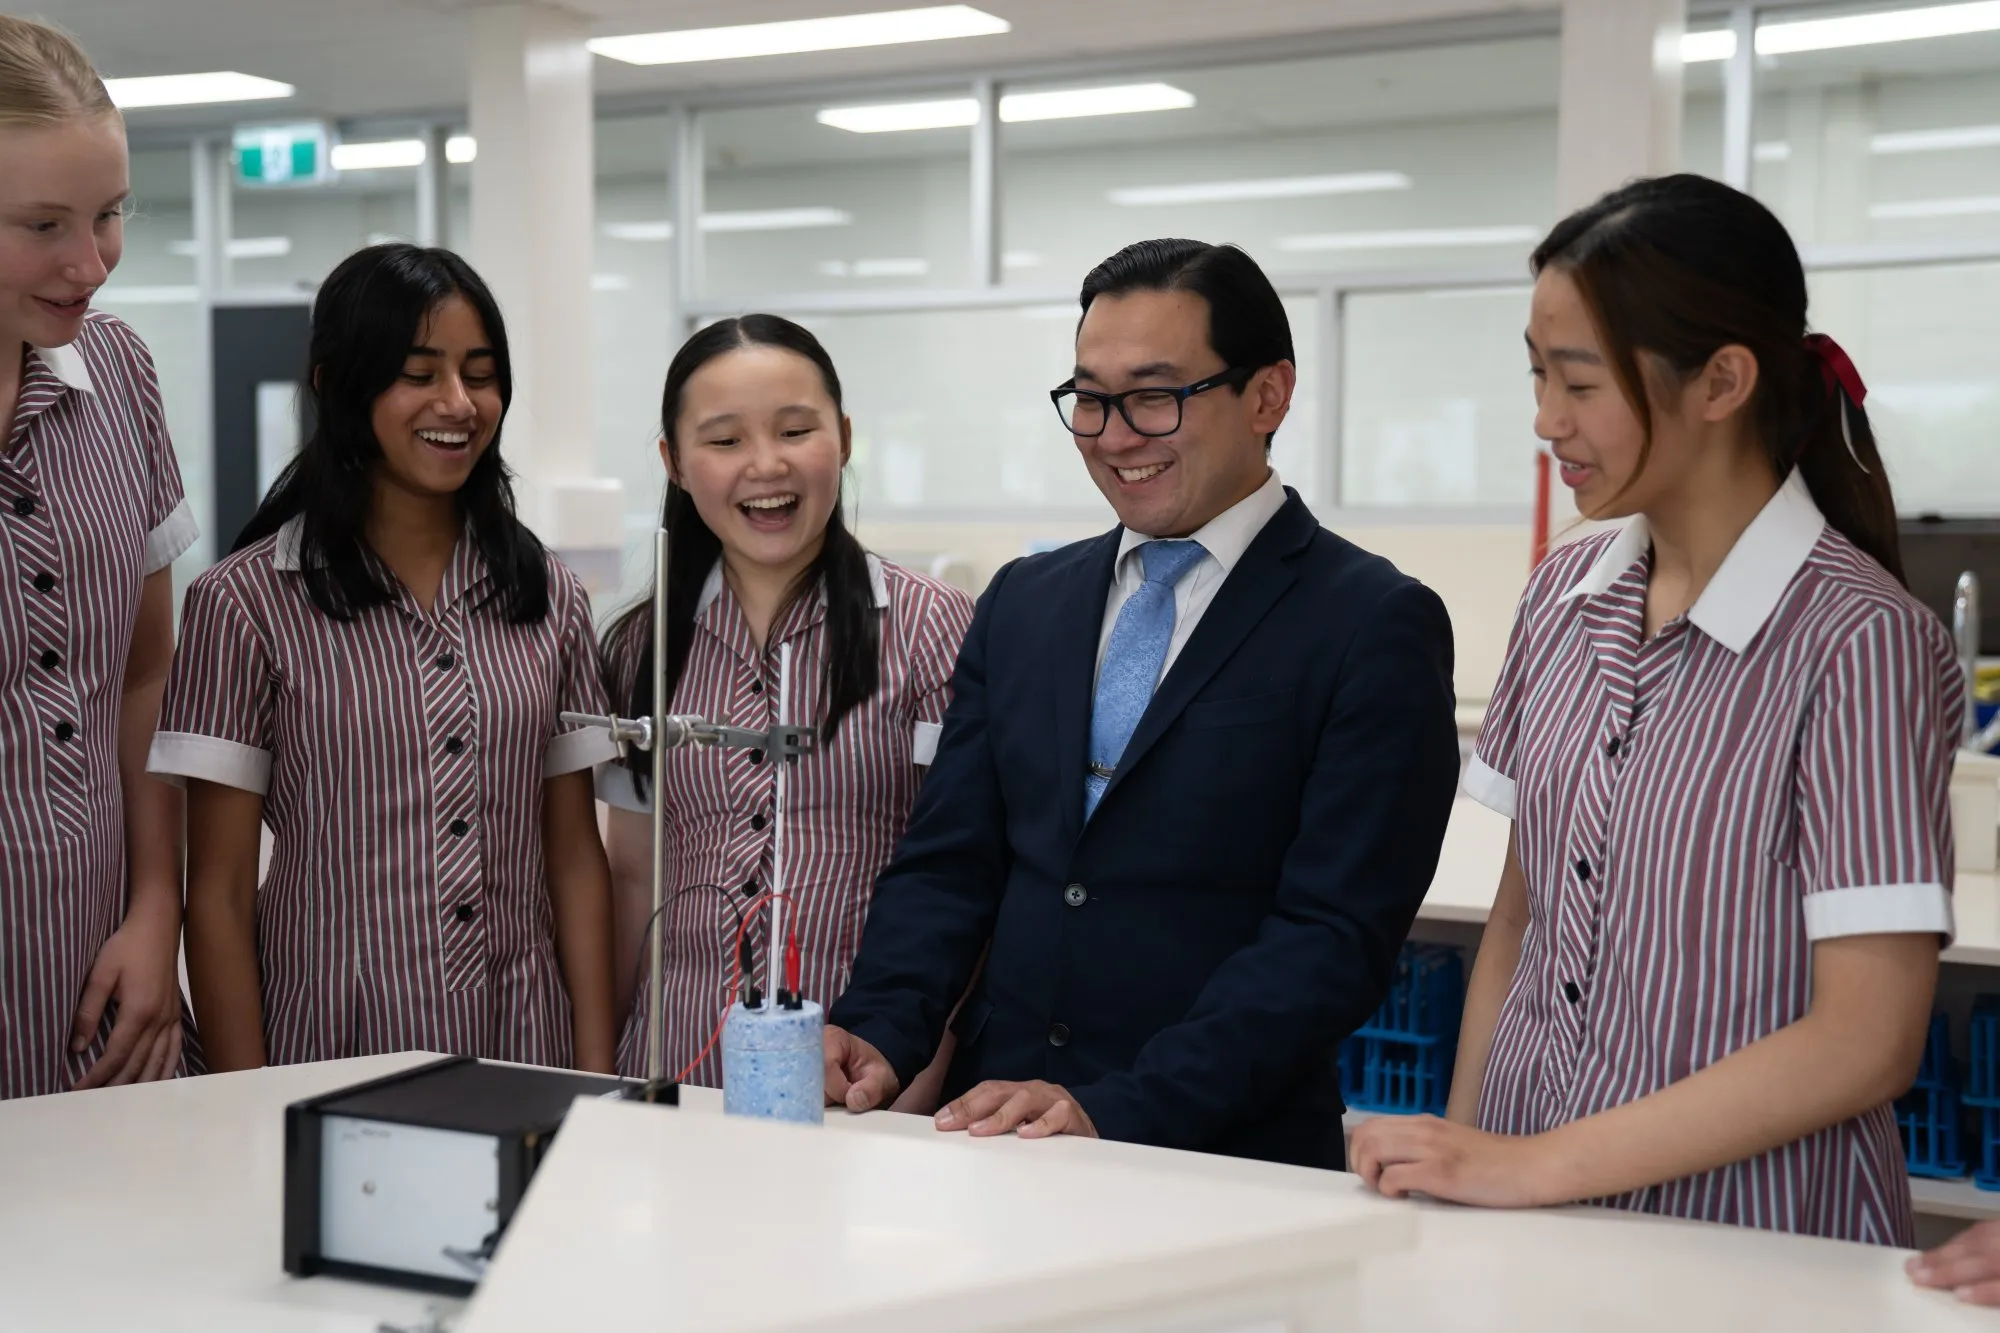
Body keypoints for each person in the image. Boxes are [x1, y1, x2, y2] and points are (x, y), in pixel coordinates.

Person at [1350, 175, 1956, 1247]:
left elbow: (1864, 1039)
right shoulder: (1559, 594)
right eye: (1536, 376)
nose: (1545, 421)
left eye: (1576, 383)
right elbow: (1517, 922)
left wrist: (1533, 1166)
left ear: (1721, 379)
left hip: (1746, 1241)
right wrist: (1463, 1153)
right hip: (1523, 1220)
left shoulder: (1859, 641)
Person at [822, 239, 1460, 1168]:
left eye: (1155, 395)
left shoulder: (1371, 622)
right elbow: (951, 863)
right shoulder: (1025, 603)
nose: (1115, 434)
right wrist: (879, 1026)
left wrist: (1114, 1107)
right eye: (1089, 398)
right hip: (1001, 1143)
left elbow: (1331, 938)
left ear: (1268, 395)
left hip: (1227, 1157)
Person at [149, 244, 619, 1073]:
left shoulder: (550, 596)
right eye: (418, 372)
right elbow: (216, 895)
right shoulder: (246, 604)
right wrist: (247, 1105)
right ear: (337, 383)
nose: (458, 403)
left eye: (480, 374)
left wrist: (592, 1074)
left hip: (521, 1043)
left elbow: (575, 857)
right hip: (326, 1048)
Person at [598, 315, 974, 1104]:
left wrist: (916, 1077)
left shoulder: (933, 626)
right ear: (673, 461)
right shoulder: (641, 646)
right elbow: (633, 874)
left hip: (858, 1073)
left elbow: (967, 877)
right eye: (725, 440)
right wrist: (612, 1071)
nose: (766, 465)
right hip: (676, 1065)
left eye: (796, 429)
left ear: (841, 436)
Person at [0, 17, 197, 1098]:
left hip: (97, 969)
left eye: (111, 215)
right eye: (43, 224)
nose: (90, 264)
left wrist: (155, 908)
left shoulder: (116, 369)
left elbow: (145, 673)